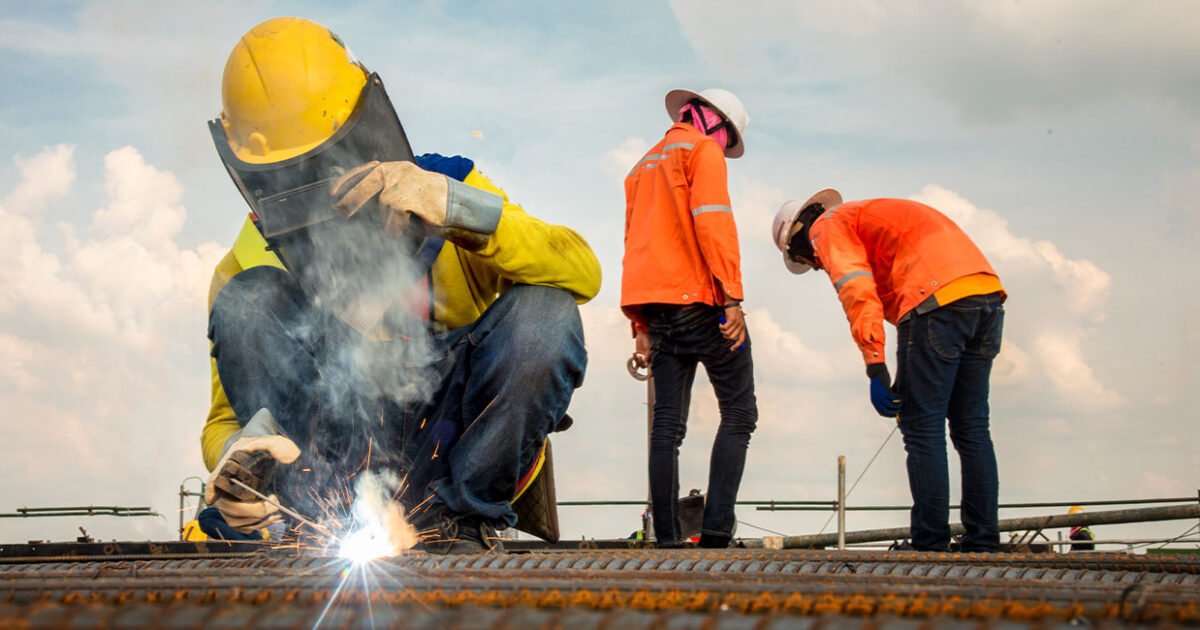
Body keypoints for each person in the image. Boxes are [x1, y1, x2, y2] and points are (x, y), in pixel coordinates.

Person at [199, 17, 601, 554]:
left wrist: (458, 209)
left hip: (449, 443)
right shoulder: (247, 264)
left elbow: (582, 271)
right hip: (328, 465)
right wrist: (237, 457)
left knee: (545, 315)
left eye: (329, 166)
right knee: (249, 303)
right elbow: (225, 422)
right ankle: (309, 520)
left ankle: (463, 521)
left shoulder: (445, 185)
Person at [772, 190, 1005, 552]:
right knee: (972, 427)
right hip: (984, 294)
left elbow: (857, 290)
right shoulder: (865, 217)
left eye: (807, 259)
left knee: (922, 427)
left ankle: (930, 541)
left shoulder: (827, 227)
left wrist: (875, 365)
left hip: (935, 298)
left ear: (799, 234)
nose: (817, 265)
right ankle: (983, 540)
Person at [621, 88, 757, 549]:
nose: (723, 146)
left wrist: (640, 326)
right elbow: (715, 224)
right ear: (715, 123)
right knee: (739, 412)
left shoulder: (640, 167)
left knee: (666, 425)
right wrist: (732, 297)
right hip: (702, 302)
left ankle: (666, 537)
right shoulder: (701, 150)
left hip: (656, 309)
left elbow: (633, 246)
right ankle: (716, 532)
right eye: (727, 138)